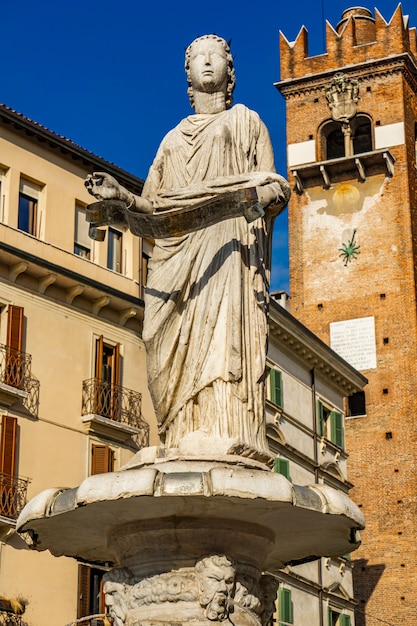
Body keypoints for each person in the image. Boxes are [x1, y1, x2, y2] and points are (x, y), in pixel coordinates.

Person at [85, 35, 290, 458]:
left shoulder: (247, 122)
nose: (208, 63)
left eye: (216, 56)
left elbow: (271, 182)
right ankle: (179, 432)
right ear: (189, 75)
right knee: (161, 342)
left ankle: (224, 428)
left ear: (230, 73)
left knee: (222, 339)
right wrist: (120, 196)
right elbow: (153, 208)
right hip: (176, 256)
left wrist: (268, 196)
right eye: (199, 58)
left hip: (228, 247)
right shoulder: (171, 140)